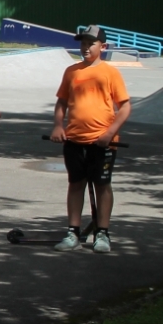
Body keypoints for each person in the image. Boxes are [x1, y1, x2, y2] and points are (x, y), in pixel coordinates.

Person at [50, 25, 132, 253]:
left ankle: (102, 233)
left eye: (91, 43)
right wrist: (58, 125)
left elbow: (125, 107)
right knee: (76, 184)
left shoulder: (110, 73)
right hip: (74, 139)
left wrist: (109, 133)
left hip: (103, 141)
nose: (85, 48)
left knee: (102, 185)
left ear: (102, 47)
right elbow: (62, 102)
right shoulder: (71, 71)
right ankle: (73, 233)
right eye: (83, 43)